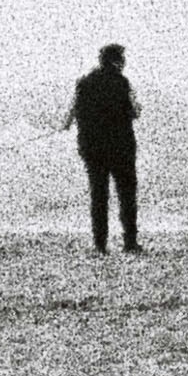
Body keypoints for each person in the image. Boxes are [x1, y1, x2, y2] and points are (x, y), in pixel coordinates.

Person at [65, 44, 142, 253]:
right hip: (121, 148)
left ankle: (100, 244)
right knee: (126, 195)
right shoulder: (122, 82)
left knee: (99, 195)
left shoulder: (84, 83)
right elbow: (135, 111)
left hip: (92, 149)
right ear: (117, 61)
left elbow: (68, 117)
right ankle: (130, 242)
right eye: (122, 59)